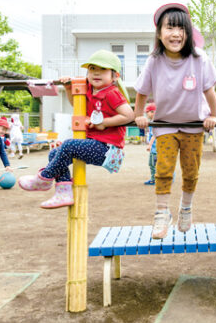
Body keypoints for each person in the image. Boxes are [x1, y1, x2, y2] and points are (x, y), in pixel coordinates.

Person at [133, 3, 216, 239]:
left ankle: (186, 208)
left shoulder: (199, 58)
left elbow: (209, 90)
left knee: (191, 171)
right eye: (169, 28)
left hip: (193, 125)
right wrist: (139, 114)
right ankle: (162, 213)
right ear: (159, 33)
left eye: (181, 28)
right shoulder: (154, 60)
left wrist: (214, 115)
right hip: (165, 125)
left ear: (188, 33)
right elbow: (142, 91)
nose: (176, 34)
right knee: (163, 169)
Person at [18, 50, 134, 208]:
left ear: (115, 76)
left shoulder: (112, 93)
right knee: (54, 153)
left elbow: (129, 116)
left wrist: (104, 122)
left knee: (68, 145)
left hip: (108, 149)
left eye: (103, 70)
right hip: (94, 144)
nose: (96, 73)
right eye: (92, 69)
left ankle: (44, 178)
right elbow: (77, 107)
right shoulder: (90, 90)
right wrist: (67, 87)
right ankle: (63, 192)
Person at [143, 103, 157, 185]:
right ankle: (170, 176)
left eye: (147, 112)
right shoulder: (155, 121)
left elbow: (154, 135)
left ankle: (154, 179)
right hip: (157, 148)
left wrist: (150, 145)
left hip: (155, 149)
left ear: (152, 112)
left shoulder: (154, 122)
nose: (146, 114)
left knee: (152, 165)